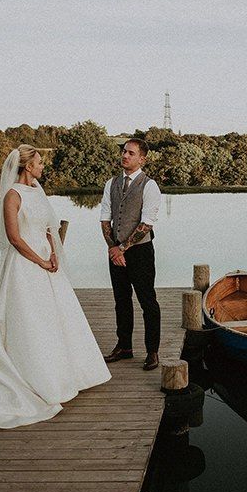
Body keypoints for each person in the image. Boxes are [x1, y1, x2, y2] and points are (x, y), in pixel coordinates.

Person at [0, 145, 111, 430]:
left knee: (55, 317)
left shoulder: (37, 190)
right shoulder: (13, 195)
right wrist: (40, 261)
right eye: (39, 162)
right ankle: (30, 377)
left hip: (47, 260)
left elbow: (48, 227)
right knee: (27, 319)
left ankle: (65, 376)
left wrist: (53, 254)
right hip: (24, 264)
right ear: (27, 166)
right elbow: (14, 238)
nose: (43, 166)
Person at [100, 138, 163, 371]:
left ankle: (152, 351)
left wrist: (122, 248)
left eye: (131, 153)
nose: (125, 156)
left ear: (142, 159)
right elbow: (105, 218)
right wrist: (112, 247)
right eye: (124, 151)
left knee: (147, 301)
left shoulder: (149, 186)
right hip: (115, 251)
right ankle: (124, 347)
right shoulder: (111, 183)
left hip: (141, 252)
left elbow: (146, 224)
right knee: (121, 300)